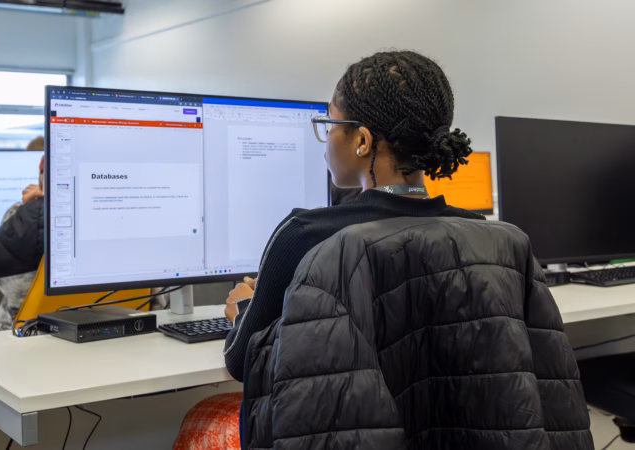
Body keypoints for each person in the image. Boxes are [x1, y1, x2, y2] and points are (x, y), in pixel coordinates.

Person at [176, 50, 591, 449]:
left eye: (330, 125)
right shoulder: (484, 234)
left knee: (204, 418)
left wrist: (243, 309)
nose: (325, 142)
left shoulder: (304, 235)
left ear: (361, 139)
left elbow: (240, 363)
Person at [0, 156, 45, 330]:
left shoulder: (29, 220)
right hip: (101, 338)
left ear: (42, 163)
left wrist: (23, 208)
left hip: (23, 339)